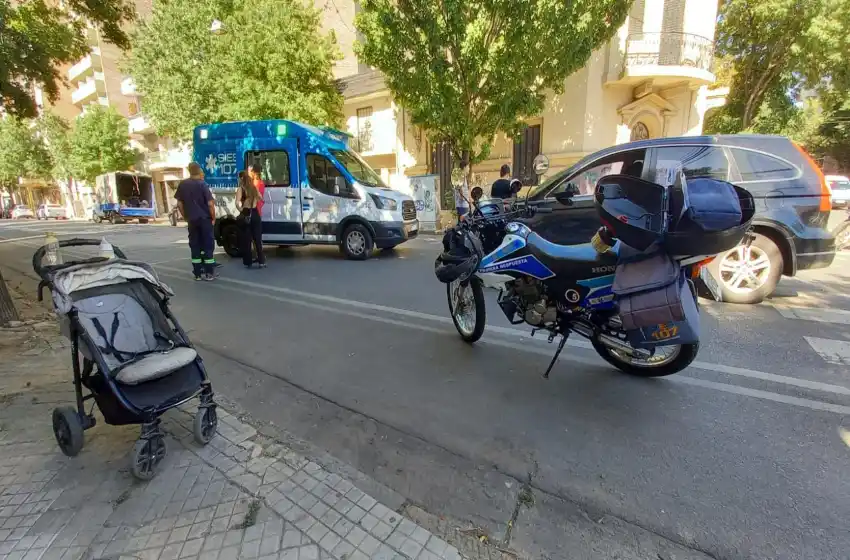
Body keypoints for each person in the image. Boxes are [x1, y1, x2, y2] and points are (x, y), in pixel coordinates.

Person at [175, 162, 217, 280]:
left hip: (192, 220)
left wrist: (186, 217)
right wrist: (213, 217)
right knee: (208, 246)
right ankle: (209, 273)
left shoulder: (183, 184)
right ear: (199, 171)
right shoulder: (202, 185)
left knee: (195, 246)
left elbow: (179, 204)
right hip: (204, 220)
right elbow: (210, 204)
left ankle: (197, 273)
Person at [236, 166, 266, 269]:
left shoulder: (241, 189)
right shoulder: (254, 188)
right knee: (257, 238)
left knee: (247, 239)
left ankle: (248, 261)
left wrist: (241, 210)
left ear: (242, 179)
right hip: (255, 213)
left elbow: (237, 203)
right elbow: (261, 198)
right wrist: (256, 201)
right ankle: (261, 261)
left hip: (246, 213)